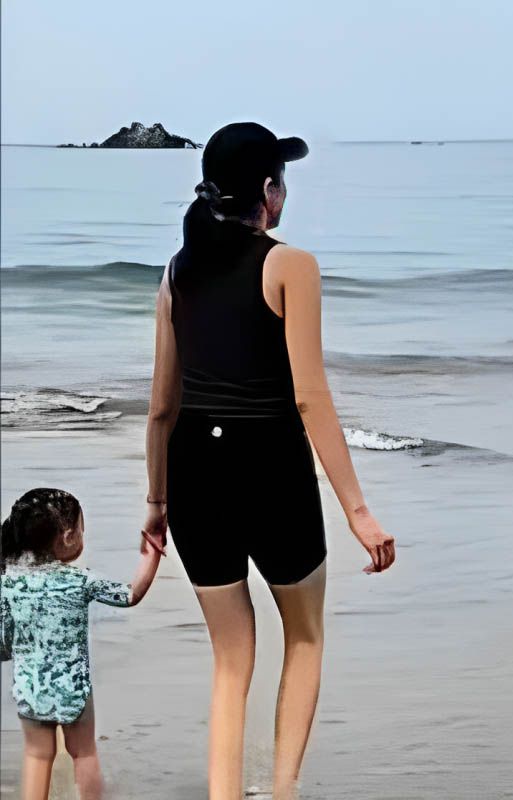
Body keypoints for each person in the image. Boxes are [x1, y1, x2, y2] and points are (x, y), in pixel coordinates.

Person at [143, 121, 396, 800]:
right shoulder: (291, 266)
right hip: (270, 469)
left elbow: (162, 408)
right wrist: (359, 512)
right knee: (305, 639)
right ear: (267, 191)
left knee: (231, 661)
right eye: (281, 178)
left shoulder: (177, 272)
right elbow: (311, 398)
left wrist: (156, 505)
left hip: (196, 468)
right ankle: (282, 792)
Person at [0, 487, 163, 800]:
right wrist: (150, 553)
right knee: (84, 753)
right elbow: (130, 595)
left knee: (37, 755)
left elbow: (4, 638)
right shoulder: (79, 580)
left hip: (29, 686)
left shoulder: (9, 582)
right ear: (68, 536)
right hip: (73, 687)